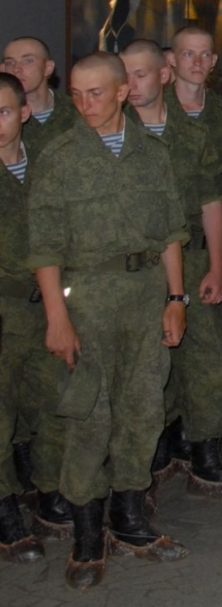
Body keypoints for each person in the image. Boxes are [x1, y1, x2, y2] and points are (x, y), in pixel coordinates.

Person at [27, 52, 190, 591]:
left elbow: (171, 232)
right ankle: (86, 534)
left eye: (95, 92)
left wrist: (176, 298)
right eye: (76, 94)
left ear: (123, 91)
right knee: (88, 417)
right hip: (88, 302)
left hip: (145, 297)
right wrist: (57, 317)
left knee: (143, 408)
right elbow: (45, 247)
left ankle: (129, 517)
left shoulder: (152, 153)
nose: (84, 103)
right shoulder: (59, 156)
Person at [120, 41, 222, 503]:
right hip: (138, 267)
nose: (130, 85)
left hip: (194, 257)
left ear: (162, 74)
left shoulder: (193, 136)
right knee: (148, 363)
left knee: (209, 359)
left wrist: (219, 263)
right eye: (124, 75)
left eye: (139, 74)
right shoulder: (116, 137)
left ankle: (205, 451)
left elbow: (213, 203)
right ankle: (157, 450)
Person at [166, 25, 222, 449]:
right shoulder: (149, 112)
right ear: (172, 59)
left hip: (207, 248)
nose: (197, 62)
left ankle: (205, 440)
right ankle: (169, 444)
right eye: (188, 54)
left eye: (205, 55)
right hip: (159, 252)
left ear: (215, 62)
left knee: (214, 352)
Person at [0, 72, 47, 563]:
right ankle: (5, 514)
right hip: (3, 306)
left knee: (44, 405)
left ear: (24, 113)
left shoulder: (47, 165)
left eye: (3, 112)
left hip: (46, 307)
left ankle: (42, 491)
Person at [2, 37, 80, 157]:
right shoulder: (4, 119)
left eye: (28, 61)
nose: (17, 69)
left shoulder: (78, 111)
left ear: (48, 68)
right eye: (10, 63)